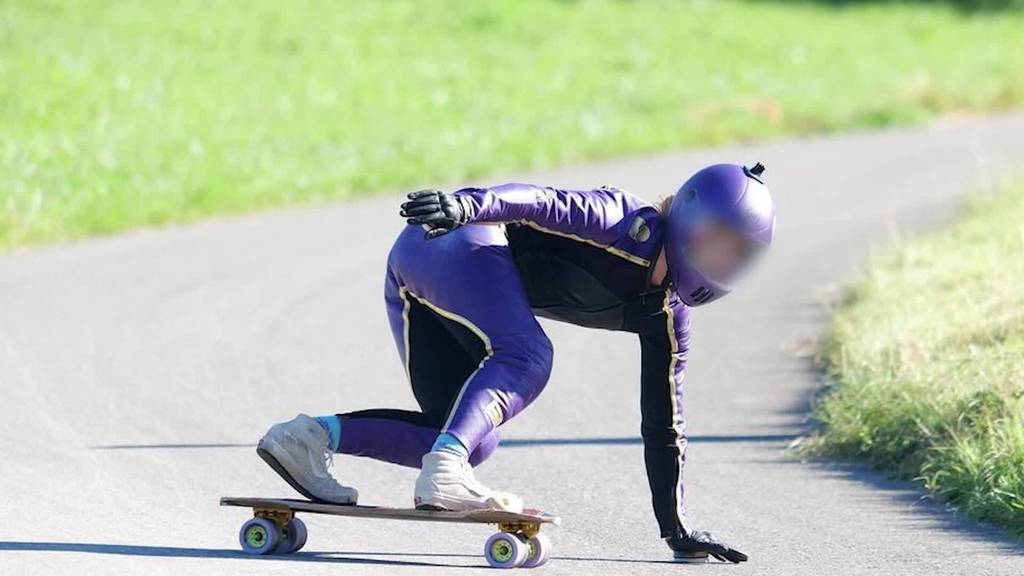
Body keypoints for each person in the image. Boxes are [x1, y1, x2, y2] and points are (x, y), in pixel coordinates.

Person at [256, 163, 776, 563]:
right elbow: (538, 201)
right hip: (453, 234)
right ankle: (444, 472)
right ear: (684, 216)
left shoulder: (668, 318)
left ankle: (311, 437)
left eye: (737, 255)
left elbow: (664, 426)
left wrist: (676, 530)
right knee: (528, 354)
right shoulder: (623, 223)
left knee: (467, 437)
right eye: (715, 239)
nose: (720, 261)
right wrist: (466, 207)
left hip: (431, 279)